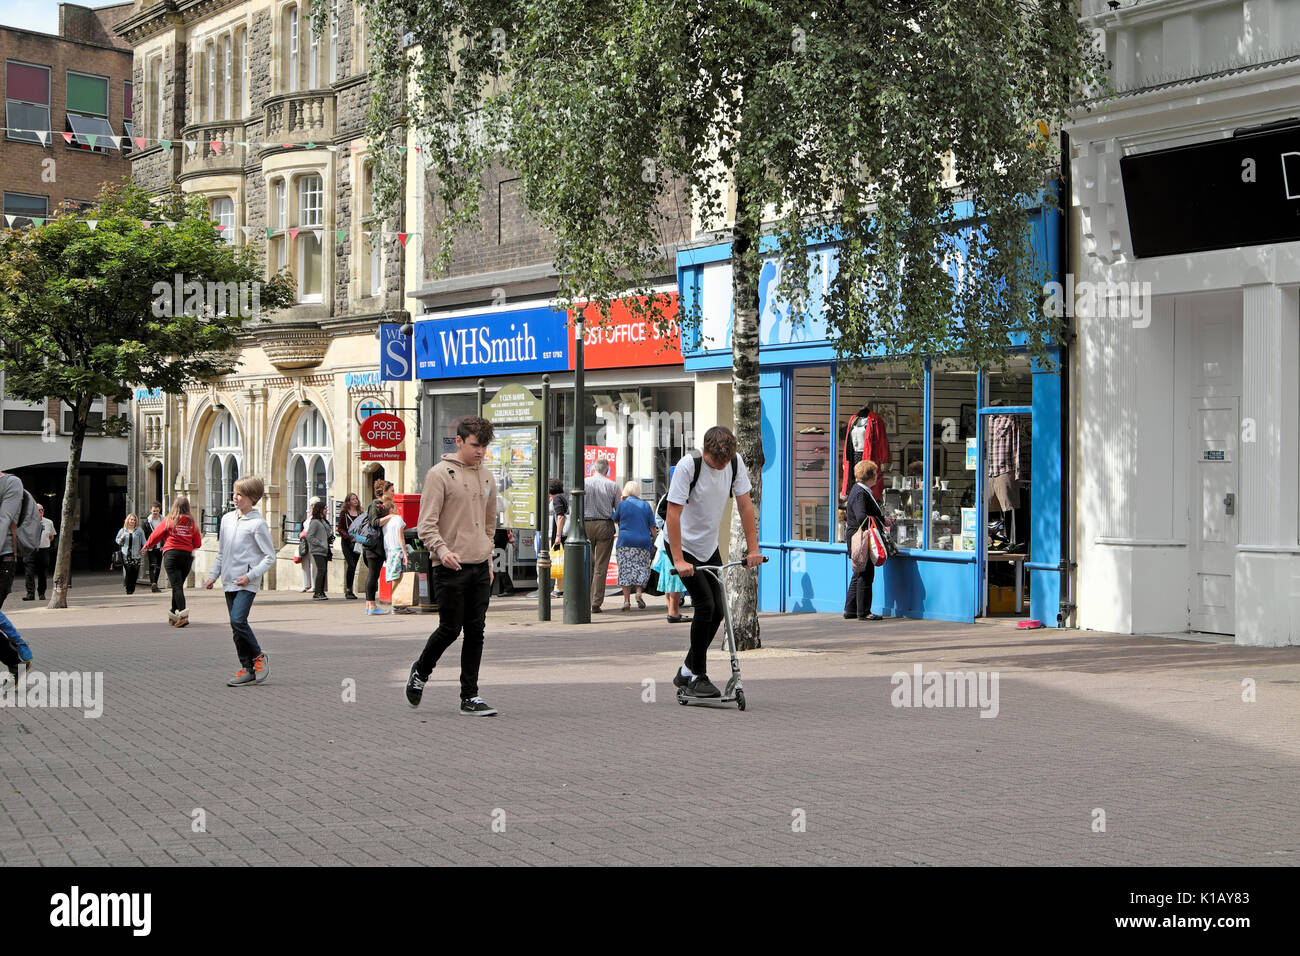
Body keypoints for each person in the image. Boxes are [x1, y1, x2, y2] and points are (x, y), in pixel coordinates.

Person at [404, 416, 499, 716]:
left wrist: (488, 555)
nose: (480, 451)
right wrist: (442, 551)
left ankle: (469, 696)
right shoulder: (439, 474)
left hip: (479, 565)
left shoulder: (487, 477)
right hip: (449, 566)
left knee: (476, 631)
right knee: (450, 628)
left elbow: (489, 522)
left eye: (484, 446)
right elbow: (426, 525)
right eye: (475, 445)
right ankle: (421, 671)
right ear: (458, 441)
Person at [666, 426, 762, 699]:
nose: (720, 467)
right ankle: (698, 675)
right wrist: (678, 560)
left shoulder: (735, 463)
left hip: (707, 545)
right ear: (706, 451)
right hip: (681, 544)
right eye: (716, 462)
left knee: (720, 609)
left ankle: (685, 671)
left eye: (725, 462)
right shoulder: (689, 466)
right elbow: (673, 514)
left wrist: (753, 549)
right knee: (705, 604)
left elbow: (745, 505)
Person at [205, 476, 276, 687]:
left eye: (240, 495)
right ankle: (247, 669)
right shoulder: (227, 519)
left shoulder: (258, 524)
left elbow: (269, 556)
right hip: (228, 580)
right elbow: (222, 552)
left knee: (238, 620)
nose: (235, 498)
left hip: (246, 582)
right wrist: (212, 575)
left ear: (252, 498)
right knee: (236, 628)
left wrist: (251, 575)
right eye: (234, 494)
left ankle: (258, 656)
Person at [143, 495, 203, 627]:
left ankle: (183, 615)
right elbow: (198, 543)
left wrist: (147, 545)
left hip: (171, 554)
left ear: (174, 507)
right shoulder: (192, 523)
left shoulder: (169, 520)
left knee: (176, 585)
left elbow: (156, 535)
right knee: (178, 585)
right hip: (187, 556)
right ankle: (173, 613)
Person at [0, 470, 35, 673]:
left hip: (4, 561)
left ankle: (19, 649)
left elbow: (4, 521)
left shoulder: (11, 483)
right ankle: (15, 659)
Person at [844, 459, 886, 621]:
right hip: (861, 537)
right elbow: (862, 516)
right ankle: (864, 612)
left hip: (856, 535)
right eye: (875, 474)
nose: (877, 477)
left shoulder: (857, 490)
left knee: (858, 573)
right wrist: (881, 519)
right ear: (869, 476)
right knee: (866, 574)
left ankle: (851, 609)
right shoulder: (861, 493)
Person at [613, 481, 656, 611]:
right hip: (643, 542)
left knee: (625, 570)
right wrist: (655, 540)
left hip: (625, 542)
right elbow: (652, 527)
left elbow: (615, 519)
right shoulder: (646, 505)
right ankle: (638, 593)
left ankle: (626, 601)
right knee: (641, 567)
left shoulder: (622, 505)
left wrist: (621, 501)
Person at [584, 457, 619, 613]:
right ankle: (595, 602)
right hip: (605, 524)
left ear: (593, 469)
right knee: (601, 566)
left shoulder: (584, 483)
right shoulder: (612, 485)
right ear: (607, 470)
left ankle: (583, 598)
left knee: (586, 564)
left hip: (586, 524)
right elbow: (618, 509)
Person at [650, 506, 688, 623]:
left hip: (665, 543)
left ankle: (671, 610)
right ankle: (673, 612)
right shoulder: (676, 500)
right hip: (673, 542)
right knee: (674, 580)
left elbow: (659, 517)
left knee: (668, 580)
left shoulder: (666, 499)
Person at [363, 479, 395, 615]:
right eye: (392, 491)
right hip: (373, 547)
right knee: (373, 574)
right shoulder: (375, 505)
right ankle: (371, 606)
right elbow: (374, 522)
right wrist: (390, 516)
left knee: (373, 575)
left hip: (378, 546)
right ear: (384, 492)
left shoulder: (383, 505)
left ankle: (368, 605)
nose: (394, 493)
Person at [22, 503, 56, 602]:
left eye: (42, 510)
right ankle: (30, 594)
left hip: (43, 550)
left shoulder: (49, 522)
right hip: (30, 550)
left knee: (42, 573)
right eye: (38, 510)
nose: (41, 512)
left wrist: (43, 542)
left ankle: (41, 593)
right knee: (29, 572)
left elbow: (51, 536)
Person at [304, 499, 333, 600]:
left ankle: (321, 591)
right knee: (321, 570)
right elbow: (309, 536)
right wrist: (320, 543)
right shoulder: (315, 522)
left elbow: (327, 532)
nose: (326, 510)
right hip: (318, 550)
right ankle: (317, 592)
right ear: (320, 510)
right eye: (324, 509)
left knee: (323, 570)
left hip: (325, 549)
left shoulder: (323, 521)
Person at [379, 500, 409, 591]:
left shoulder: (384, 523)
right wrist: (405, 554)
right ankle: (397, 603)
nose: (397, 509)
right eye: (395, 508)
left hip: (389, 553)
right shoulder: (398, 519)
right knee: (400, 578)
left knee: (393, 578)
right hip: (398, 551)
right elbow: (401, 538)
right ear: (391, 509)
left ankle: (395, 602)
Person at [337, 492, 362, 600]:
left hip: (358, 542)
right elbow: (340, 528)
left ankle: (350, 589)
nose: (355, 501)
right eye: (353, 499)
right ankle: (348, 590)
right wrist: (348, 537)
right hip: (347, 543)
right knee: (351, 564)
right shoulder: (344, 513)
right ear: (348, 501)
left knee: (354, 565)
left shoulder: (360, 513)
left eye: (356, 499)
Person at [115, 515, 146, 594]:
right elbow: (117, 540)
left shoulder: (139, 531)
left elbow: (144, 541)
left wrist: (144, 548)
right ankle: (128, 589)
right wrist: (121, 539)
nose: (132, 521)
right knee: (128, 571)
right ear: (127, 520)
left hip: (136, 554)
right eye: (131, 520)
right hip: (125, 554)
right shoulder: (123, 530)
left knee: (135, 572)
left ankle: (132, 587)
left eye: (134, 520)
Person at [547, 477, 567, 597]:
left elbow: (560, 517)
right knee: (559, 560)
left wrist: (558, 536)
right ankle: (558, 587)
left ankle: (559, 588)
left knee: (557, 561)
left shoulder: (557, 499)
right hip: (560, 534)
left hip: (557, 535)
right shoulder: (562, 497)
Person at [140, 502, 165, 593]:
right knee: (152, 564)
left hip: (160, 546)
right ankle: (153, 583)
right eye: (154, 511)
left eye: (157, 511)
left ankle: (155, 583)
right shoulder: (146, 522)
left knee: (158, 565)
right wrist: (145, 546)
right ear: (151, 510)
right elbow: (144, 535)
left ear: (159, 511)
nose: (155, 513)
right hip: (151, 547)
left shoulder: (163, 521)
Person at [298, 498, 319, 592]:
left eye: (313, 504)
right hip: (305, 541)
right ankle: (305, 584)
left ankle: (314, 585)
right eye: (311, 504)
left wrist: (305, 534)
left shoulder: (318, 516)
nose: (312, 506)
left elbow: (314, 529)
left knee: (313, 564)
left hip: (313, 542)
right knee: (304, 562)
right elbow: (305, 527)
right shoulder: (309, 515)